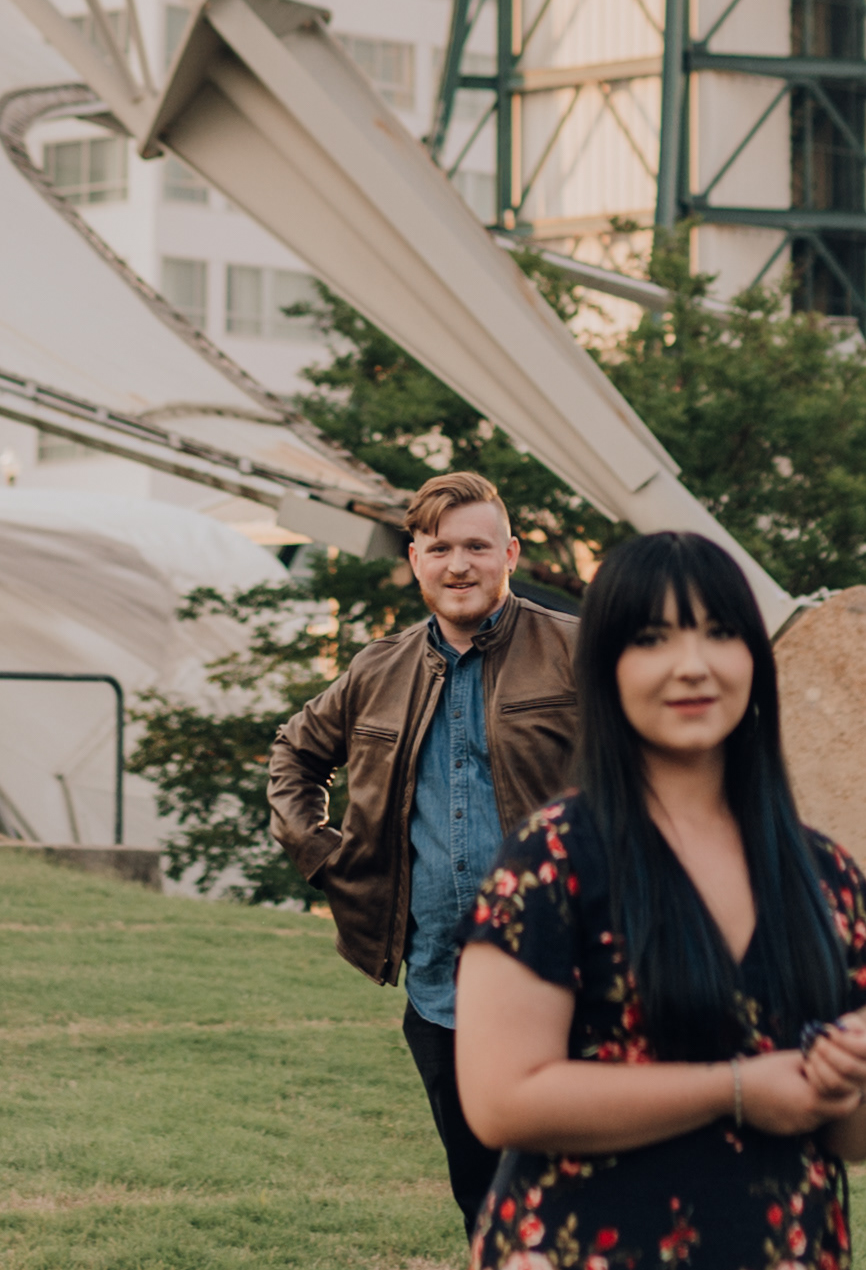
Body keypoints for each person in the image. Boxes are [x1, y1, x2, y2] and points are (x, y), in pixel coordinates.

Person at [455, 531, 866, 1270]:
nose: (692, 665)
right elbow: (500, 1100)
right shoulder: (555, 857)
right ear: (606, 666)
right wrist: (733, 1090)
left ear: (755, 658)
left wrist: (847, 1079)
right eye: (652, 638)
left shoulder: (827, 875)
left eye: (720, 633)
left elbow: (852, 1139)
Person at [267, 471, 579, 1237]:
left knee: (579, 1199)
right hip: (441, 989)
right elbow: (294, 753)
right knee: (485, 1204)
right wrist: (325, 856)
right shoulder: (378, 669)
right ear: (415, 559)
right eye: (440, 548)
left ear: (510, 553)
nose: (459, 564)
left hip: (569, 978)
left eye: (477, 546)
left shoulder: (577, 652)